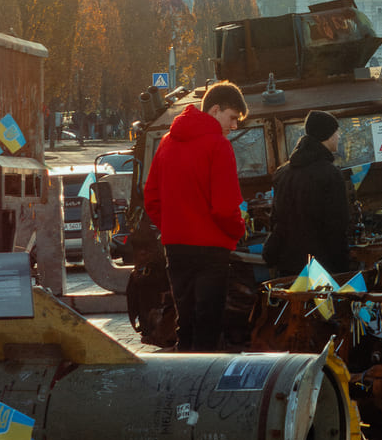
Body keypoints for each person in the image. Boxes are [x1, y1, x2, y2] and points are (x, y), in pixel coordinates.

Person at [142, 81, 248, 352]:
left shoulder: (166, 142)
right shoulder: (219, 146)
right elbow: (224, 208)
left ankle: (184, 372)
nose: (234, 125)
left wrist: (172, 227)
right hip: (211, 251)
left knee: (185, 322)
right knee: (208, 325)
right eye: (232, 117)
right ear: (215, 109)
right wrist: (238, 230)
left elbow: (151, 197)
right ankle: (205, 376)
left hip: (175, 248)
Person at [263, 111, 354, 277]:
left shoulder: (283, 173)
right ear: (327, 135)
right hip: (322, 267)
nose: (338, 136)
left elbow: (275, 219)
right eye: (336, 132)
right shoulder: (330, 174)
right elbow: (337, 225)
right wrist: (343, 268)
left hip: (288, 264)